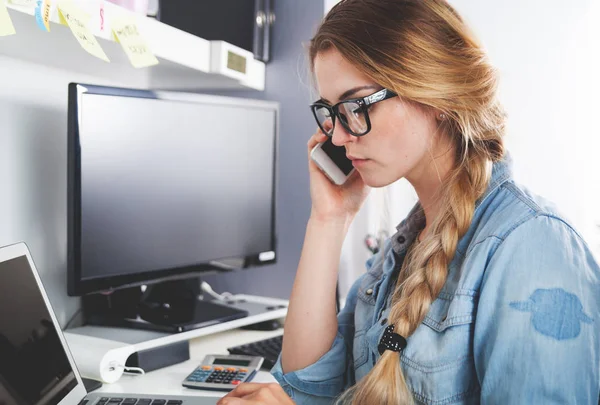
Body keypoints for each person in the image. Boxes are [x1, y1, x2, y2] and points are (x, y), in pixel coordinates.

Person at [218, 0, 600, 403]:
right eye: (331, 113)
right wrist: (329, 220)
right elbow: (308, 388)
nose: (337, 137)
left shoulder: (531, 247)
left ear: (432, 91)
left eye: (354, 106)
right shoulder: (398, 253)